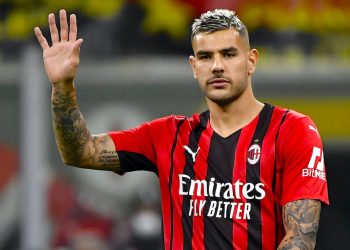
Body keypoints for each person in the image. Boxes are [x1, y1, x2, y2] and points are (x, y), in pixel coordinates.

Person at [34, 8, 329, 250]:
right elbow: (80, 152)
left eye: (228, 54)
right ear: (193, 66)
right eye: (205, 56)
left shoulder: (292, 131)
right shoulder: (168, 135)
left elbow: (301, 238)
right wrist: (63, 86)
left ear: (251, 61)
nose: (216, 66)